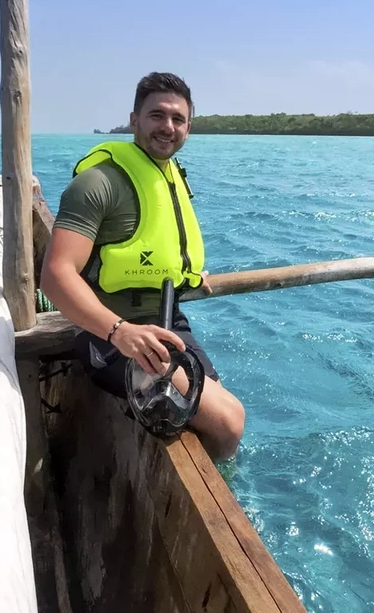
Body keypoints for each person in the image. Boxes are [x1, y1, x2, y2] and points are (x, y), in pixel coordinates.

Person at [40, 72, 245, 462]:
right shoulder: (98, 184)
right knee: (228, 420)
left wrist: (186, 274)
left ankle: (224, 479)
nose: (168, 127)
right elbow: (55, 275)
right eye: (156, 115)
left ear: (188, 128)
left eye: (178, 119)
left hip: (168, 321)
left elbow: (153, 244)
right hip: (110, 334)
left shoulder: (168, 175)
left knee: (218, 409)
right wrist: (119, 332)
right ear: (134, 119)